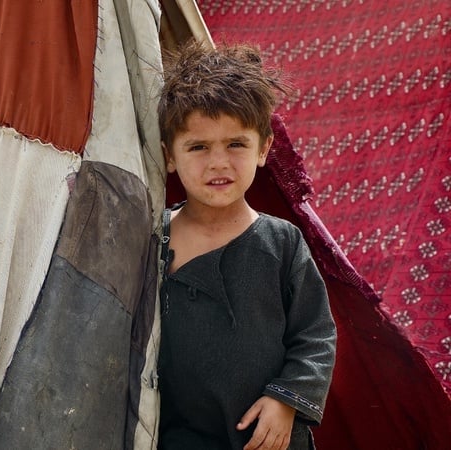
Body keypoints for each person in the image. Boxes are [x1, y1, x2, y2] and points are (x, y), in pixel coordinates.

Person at [156, 41, 337, 450]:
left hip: (268, 437)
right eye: (198, 147)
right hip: (180, 437)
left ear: (264, 148)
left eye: (236, 144)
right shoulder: (153, 239)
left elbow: (316, 335)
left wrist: (286, 400)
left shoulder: (282, 243)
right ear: (169, 156)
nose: (218, 162)